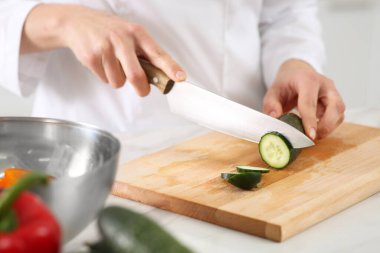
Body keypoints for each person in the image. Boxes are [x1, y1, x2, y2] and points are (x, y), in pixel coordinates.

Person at [0, 0, 344, 140]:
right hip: (102, 158)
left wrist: (294, 61)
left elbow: (286, 13)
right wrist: (62, 22)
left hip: (245, 140)